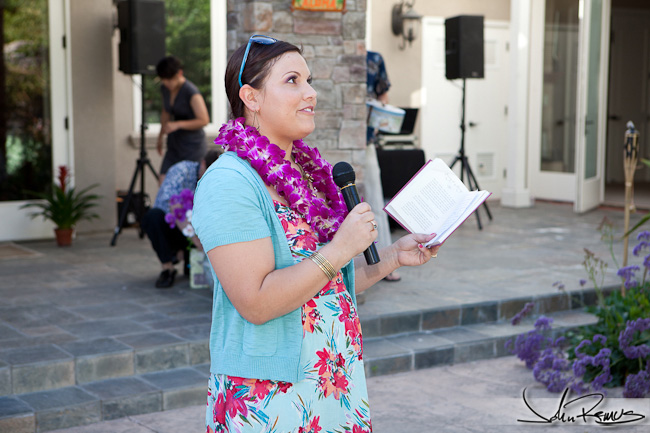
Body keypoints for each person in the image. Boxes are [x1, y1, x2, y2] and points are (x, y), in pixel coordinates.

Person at [193, 35, 441, 432]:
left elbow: (328, 283)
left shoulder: (306, 175)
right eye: (292, 81)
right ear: (251, 97)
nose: (310, 93)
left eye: (309, 81)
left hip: (332, 383)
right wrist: (341, 247)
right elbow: (256, 303)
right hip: (271, 398)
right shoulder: (229, 182)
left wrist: (392, 257)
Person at [141, 149, 221, 288]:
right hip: (173, 226)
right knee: (152, 217)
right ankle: (168, 267)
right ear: (203, 164)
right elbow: (175, 208)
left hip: (197, 229)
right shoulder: (181, 170)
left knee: (193, 272)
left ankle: (187, 258)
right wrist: (195, 239)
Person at [366, 50, 400, 281]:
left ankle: (385, 264)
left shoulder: (374, 59)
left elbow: (383, 98)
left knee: (375, 201)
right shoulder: (373, 59)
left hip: (366, 139)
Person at [155, 55, 210, 184]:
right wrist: (160, 136)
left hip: (192, 147)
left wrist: (178, 124)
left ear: (179, 73)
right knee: (163, 181)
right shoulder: (165, 89)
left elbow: (204, 120)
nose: (166, 83)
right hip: (174, 144)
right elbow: (165, 112)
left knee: (189, 185)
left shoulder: (191, 92)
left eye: (170, 79)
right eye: (163, 80)